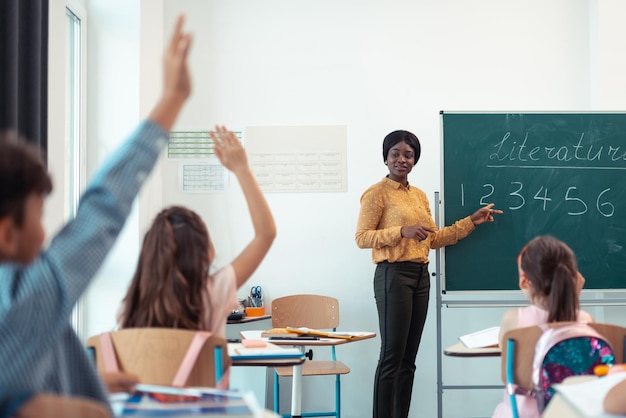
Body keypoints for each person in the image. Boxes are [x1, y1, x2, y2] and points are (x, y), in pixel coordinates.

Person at [0, 15, 192, 416]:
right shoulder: (22, 298)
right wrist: (171, 99)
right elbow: (101, 212)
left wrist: (85, 380)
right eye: (38, 215)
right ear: (6, 234)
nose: (44, 232)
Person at [355, 129, 502, 418]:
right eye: (395, 154)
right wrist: (401, 231)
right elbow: (362, 238)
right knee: (391, 357)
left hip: (421, 277)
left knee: (409, 360)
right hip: (392, 276)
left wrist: (471, 221)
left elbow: (433, 239)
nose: (402, 160)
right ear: (385, 158)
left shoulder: (419, 196)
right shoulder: (376, 193)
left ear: (414, 160)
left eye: (408, 155)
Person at [117, 125, 276, 339]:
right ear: (201, 251)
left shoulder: (129, 309)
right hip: (203, 374)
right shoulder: (213, 294)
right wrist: (242, 169)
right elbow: (266, 234)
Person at [491, 235, 592, 418]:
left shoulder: (513, 320)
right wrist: (573, 302)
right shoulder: (585, 320)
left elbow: (508, 376)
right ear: (575, 280)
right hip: (572, 412)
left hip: (522, 414)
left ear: (524, 281)